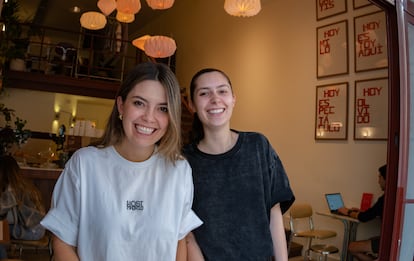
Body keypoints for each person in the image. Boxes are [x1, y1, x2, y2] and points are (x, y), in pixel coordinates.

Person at [41, 62, 202, 261]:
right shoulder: (85, 164)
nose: (149, 117)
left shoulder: (179, 170)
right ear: (121, 105)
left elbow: (179, 240)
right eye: (139, 103)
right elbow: (62, 240)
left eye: (162, 108)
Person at [183, 68, 295, 260]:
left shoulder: (259, 146)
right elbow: (187, 234)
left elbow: (274, 214)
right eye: (204, 93)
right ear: (191, 104)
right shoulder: (183, 161)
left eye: (222, 91)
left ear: (233, 99)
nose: (215, 99)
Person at [0, 155, 46, 259]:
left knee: (0, 230)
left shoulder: (13, 188)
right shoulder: (24, 184)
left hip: (32, 231)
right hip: (39, 229)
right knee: (1, 229)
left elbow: (1, 208)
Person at [337, 164, 386, 261]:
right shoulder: (388, 197)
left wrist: (348, 212)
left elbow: (364, 218)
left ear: (386, 178)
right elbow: (371, 213)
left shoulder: (385, 199)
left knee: (351, 247)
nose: (378, 181)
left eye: (380, 177)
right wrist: (361, 211)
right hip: (386, 238)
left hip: (386, 241)